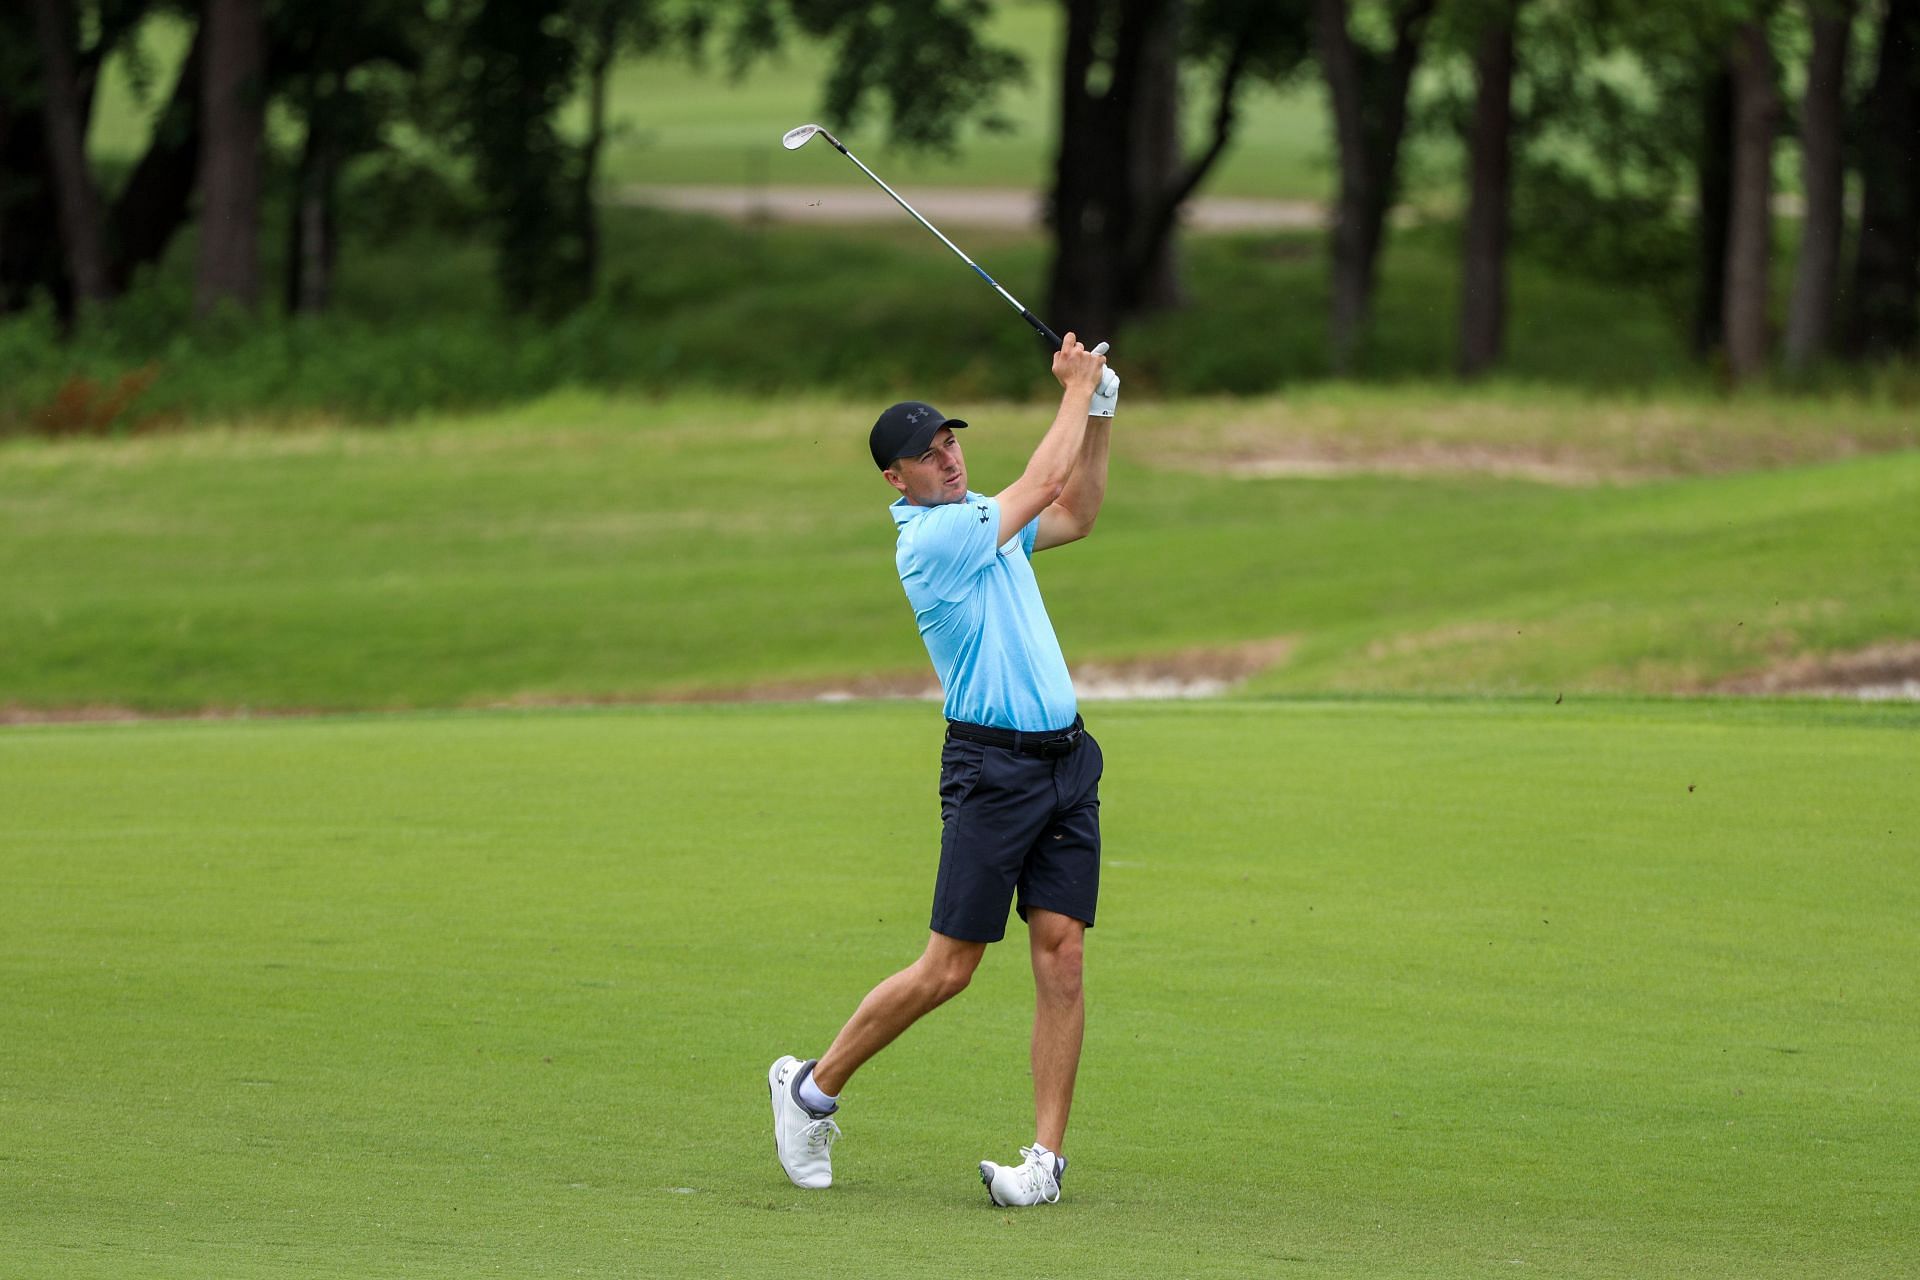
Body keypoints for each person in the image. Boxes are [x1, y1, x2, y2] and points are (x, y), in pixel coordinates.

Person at [768, 333, 1119, 1208]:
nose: (948, 460)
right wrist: (1075, 389)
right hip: (991, 770)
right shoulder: (933, 543)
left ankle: (1046, 1161)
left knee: (1063, 955)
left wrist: (1101, 410)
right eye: (927, 456)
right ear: (897, 479)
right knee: (949, 969)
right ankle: (810, 1090)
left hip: (1066, 760)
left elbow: (1075, 511)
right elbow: (1043, 484)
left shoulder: (985, 519)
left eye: (951, 443)